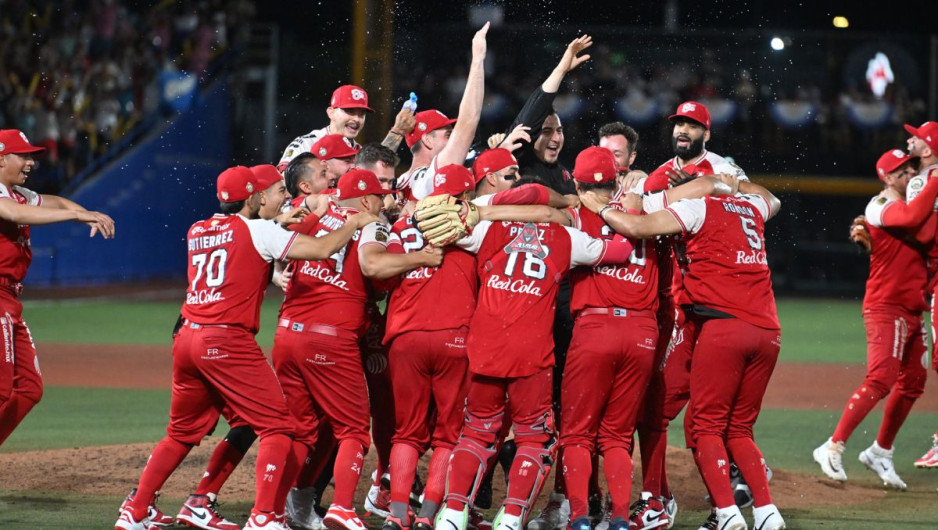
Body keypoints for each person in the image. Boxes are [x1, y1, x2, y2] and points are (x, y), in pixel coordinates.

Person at [115, 166, 377, 530]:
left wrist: (284, 219)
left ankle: (138, 509)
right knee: (279, 427)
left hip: (187, 337)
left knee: (181, 432)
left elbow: (247, 237)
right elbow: (323, 247)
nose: (283, 196)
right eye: (274, 192)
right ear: (255, 198)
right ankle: (265, 517)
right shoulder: (259, 230)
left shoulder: (199, 228)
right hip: (225, 341)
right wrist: (358, 222)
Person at [579, 174, 784, 530]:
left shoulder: (693, 208)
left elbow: (635, 225)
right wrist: (736, 185)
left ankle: (726, 513)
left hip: (721, 326)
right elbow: (772, 198)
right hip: (768, 331)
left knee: (703, 426)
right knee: (739, 430)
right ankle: (767, 513)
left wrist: (600, 207)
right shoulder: (751, 208)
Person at [432, 200, 636, 530]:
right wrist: (620, 213)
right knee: (533, 439)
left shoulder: (486, 230)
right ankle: (512, 517)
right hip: (532, 354)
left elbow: (437, 227)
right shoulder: (566, 237)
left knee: (475, 434)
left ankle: (453, 513)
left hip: (485, 347)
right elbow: (620, 250)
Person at [270, 169, 442, 530]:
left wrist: (279, 267)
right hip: (329, 338)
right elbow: (373, 264)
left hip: (287, 335)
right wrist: (421, 259)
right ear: (365, 200)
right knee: (352, 429)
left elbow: (274, 243)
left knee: (303, 431)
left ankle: (274, 512)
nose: (384, 202)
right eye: (380, 196)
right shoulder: (372, 224)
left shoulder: (314, 214)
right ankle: (343, 508)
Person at [813, 149, 938, 490]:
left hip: (912, 307)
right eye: (901, 171)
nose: (910, 174)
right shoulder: (878, 206)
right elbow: (913, 221)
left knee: (913, 382)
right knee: (881, 379)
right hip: (886, 306)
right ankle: (832, 446)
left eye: (912, 167)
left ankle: (881, 451)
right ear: (886, 178)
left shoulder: (915, 205)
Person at [0, 129, 115, 449]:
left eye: (30, 156)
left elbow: (54, 201)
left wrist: (83, 214)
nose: (30, 162)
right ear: (0, 158)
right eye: (22, 156)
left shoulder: (19, 193)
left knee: (29, 389)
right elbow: (13, 214)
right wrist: (75, 215)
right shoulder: (7, 199)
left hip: (10, 299)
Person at [397, 23, 490, 202]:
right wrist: (478, 59)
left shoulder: (400, 182)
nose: (453, 138)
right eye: (447, 134)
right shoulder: (429, 178)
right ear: (427, 139)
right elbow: (467, 124)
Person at [900, 121, 938, 469]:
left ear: (927, 150)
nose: (909, 139)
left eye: (916, 137)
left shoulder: (921, 180)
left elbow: (922, 234)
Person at [277, 85, 416, 170]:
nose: (356, 119)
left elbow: (377, 170)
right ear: (331, 112)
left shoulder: (359, 152)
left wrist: (398, 132)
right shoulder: (307, 143)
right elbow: (284, 182)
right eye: (349, 111)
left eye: (361, 114)